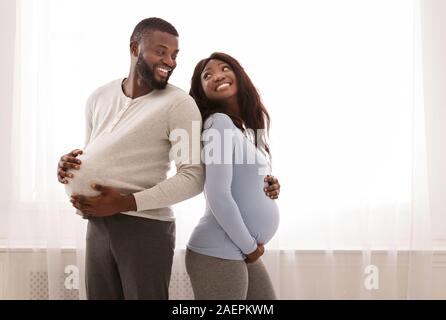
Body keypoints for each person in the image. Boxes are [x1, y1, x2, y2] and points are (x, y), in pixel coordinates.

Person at [56, 18, 280, 300]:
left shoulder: (180, 104)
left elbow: (194, 177)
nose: (170, 61)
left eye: (174, 55)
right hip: (98, 222)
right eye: (160, 51)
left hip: (144, 223)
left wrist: (124, 202)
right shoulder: (98, 97)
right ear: (135, 47)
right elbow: (94, 153)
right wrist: (70, 168)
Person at [186, 52, 280, 300]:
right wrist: (250, 248)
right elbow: (217, 195)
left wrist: (269, 186)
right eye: (207, 75)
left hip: (238, 248)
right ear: (202, 91)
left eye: (224, 68)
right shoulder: (219, 123)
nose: (218, 75)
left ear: (238, 74)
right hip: (221, 249)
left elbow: (243, 183)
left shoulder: (242, 129)